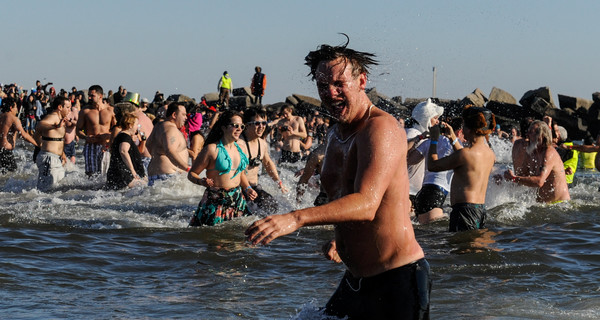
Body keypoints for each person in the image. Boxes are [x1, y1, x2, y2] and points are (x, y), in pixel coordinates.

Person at [245, 41, 430, 319]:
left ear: (362, 81)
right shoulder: (335, 134)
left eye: (339, 84)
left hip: (398, 280)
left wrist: (295, 219)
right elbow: (347, 197)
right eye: (322, 86)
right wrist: (341, 240)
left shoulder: (381, 129)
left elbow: (367, 204)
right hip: (355, 280)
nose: (330, 93)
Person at [427, 107, 496, 231]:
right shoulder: (490, 154)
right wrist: (453, 137)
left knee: (460, 249)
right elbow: (467, 160)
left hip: (464, 211)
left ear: (469, 129)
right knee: (474, 248)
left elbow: (432, 165)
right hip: (479, 210)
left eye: (464, 126)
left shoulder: (465, 154)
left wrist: (434, 140)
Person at [188, 110, 258, 226]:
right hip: (216, 201)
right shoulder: (211, 149)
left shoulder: (241, 148)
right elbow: (192, 174)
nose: (239, 129)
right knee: (216, 240)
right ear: (224, 127)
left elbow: (240, 173)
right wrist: (201, 181)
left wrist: (247, 188)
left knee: (239, 240)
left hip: (237, 198)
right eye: (235, 125)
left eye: (242, 126)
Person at [408, 99, 458, 224]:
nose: (437, 121)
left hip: (417, 194)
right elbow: (403, 156)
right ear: (425, 118)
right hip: (411, 192)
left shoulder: (424, 137)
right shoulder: (414, 134)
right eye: (434, 118)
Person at [503, 120, 571, 203]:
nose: (527, 135)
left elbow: (539, 182)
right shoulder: (531, 152)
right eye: (527, 132)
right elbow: (522, 176)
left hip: (559, 205)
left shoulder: (549, 153)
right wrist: (504, 180)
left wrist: (513, 178)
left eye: (531, 132)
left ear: (541, 135)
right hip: (543, 206)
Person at [239, 108, 287, 212]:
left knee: (272, 206)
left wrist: (279, 182)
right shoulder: (239, 144)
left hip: (254, 187)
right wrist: (247, 188)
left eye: (264, 123)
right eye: (257, 123)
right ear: (247, 125)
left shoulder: (262, 143)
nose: (261, 127)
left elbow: (268, 163)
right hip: (239, 189)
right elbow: (237, 171)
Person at [146, 102, 190, 186]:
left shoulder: (158, 126)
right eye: (183, 114)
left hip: (155, 174)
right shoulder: (171, 129)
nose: (185, 118)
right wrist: (187, 168)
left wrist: (158, 156)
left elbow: (148, 144)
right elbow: (170, 150)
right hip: (168, 176)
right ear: (174, 115)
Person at [76, 85, 116, 177]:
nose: (89, 98)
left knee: (105, 175)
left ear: (100, 96)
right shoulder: (85, 111)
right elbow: (78, 130)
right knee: (91, 175)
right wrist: (86, 137)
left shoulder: (110, 110)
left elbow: (117, 129)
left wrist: (108, 135)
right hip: (91, 145)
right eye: (89, 95)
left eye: (92, 95)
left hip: (105, 145)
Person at [34, 96, 71, 191]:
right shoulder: (53, 117)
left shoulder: (60, 119)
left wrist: (62, 154)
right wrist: (56, 125)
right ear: (60, 107)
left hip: (56, 159)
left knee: (56, 190)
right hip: (49, 159)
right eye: (67, 107)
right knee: (45, 191)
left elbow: (57, 139)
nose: (69, 110)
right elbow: (40, 125)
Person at [105, 113, 147, 190]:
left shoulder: (121, 136)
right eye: (136, 124)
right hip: (124, 175)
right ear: (130, 125)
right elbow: (123, 151)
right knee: (147, 187)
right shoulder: (125, 137)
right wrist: (133, 171)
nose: (138, 127)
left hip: (118, 173)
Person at [0, 98, 38, 174]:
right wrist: (37, 144)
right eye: (16, 107)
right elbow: (23, 134)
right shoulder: (13, 118)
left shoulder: (1, 116)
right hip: (6, 152)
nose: (17, 109)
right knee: (11, 175)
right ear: (11, 108)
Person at [63, 98, 79, 164]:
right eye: (67, 107)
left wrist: (70, 120)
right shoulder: (62, 113)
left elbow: (79, 123)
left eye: (69, 106)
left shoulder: (74, 113)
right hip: (62, 142)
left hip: (71, 142)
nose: (68, 108)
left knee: (72, 165)